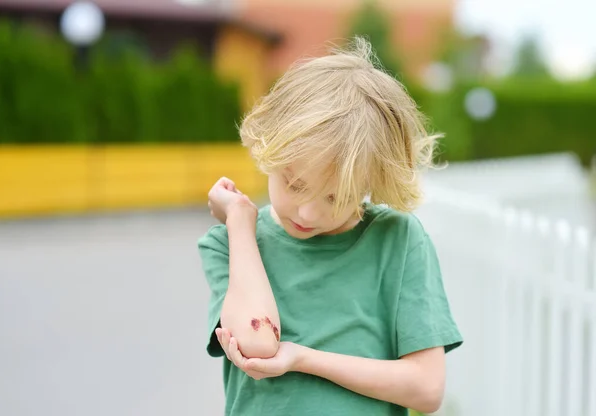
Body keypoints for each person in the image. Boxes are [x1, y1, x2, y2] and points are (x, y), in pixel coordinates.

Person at [198, 37, 463, 416]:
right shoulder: (231, 243)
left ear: (371, 182)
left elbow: (426, 389)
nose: (307, 213)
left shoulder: (397, 241)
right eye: (294, 183)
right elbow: (257, 344)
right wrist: (240, 221)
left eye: (335, 198)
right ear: (270, 150)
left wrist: (304, 359)